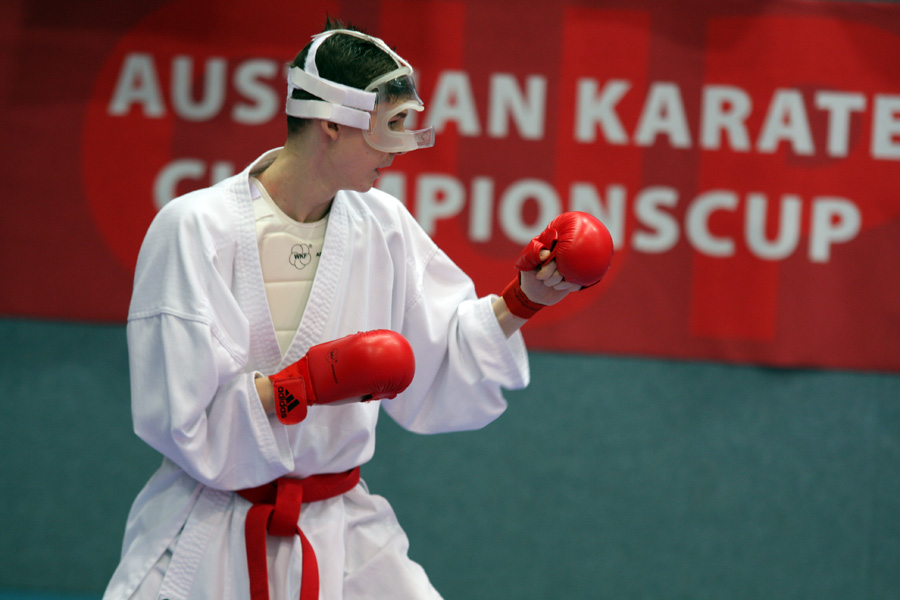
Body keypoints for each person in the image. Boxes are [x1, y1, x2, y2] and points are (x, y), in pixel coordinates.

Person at [104, 17, 612, 600]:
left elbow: (440, 357)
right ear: (331, 122)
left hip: (338, 527)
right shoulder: (195, 228)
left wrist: (524, 301)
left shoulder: (383, 226)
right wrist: (301, 386)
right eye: (390, 126)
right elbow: (179, 416)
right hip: (208, 528)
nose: (399, 150)